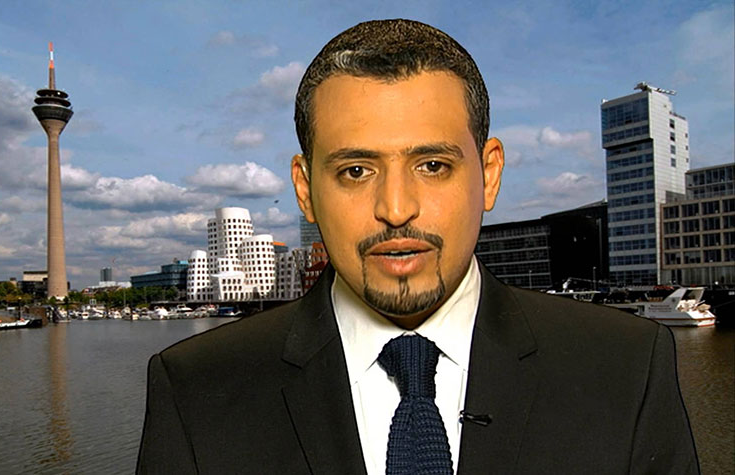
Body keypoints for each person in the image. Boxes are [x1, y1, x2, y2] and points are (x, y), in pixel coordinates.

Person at [137, 19, 698, 474]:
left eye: (432, 165)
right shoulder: (195, 388)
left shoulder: (626, 365)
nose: (396, 207)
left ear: (489, 174)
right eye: (356, 170)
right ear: (305, 191)